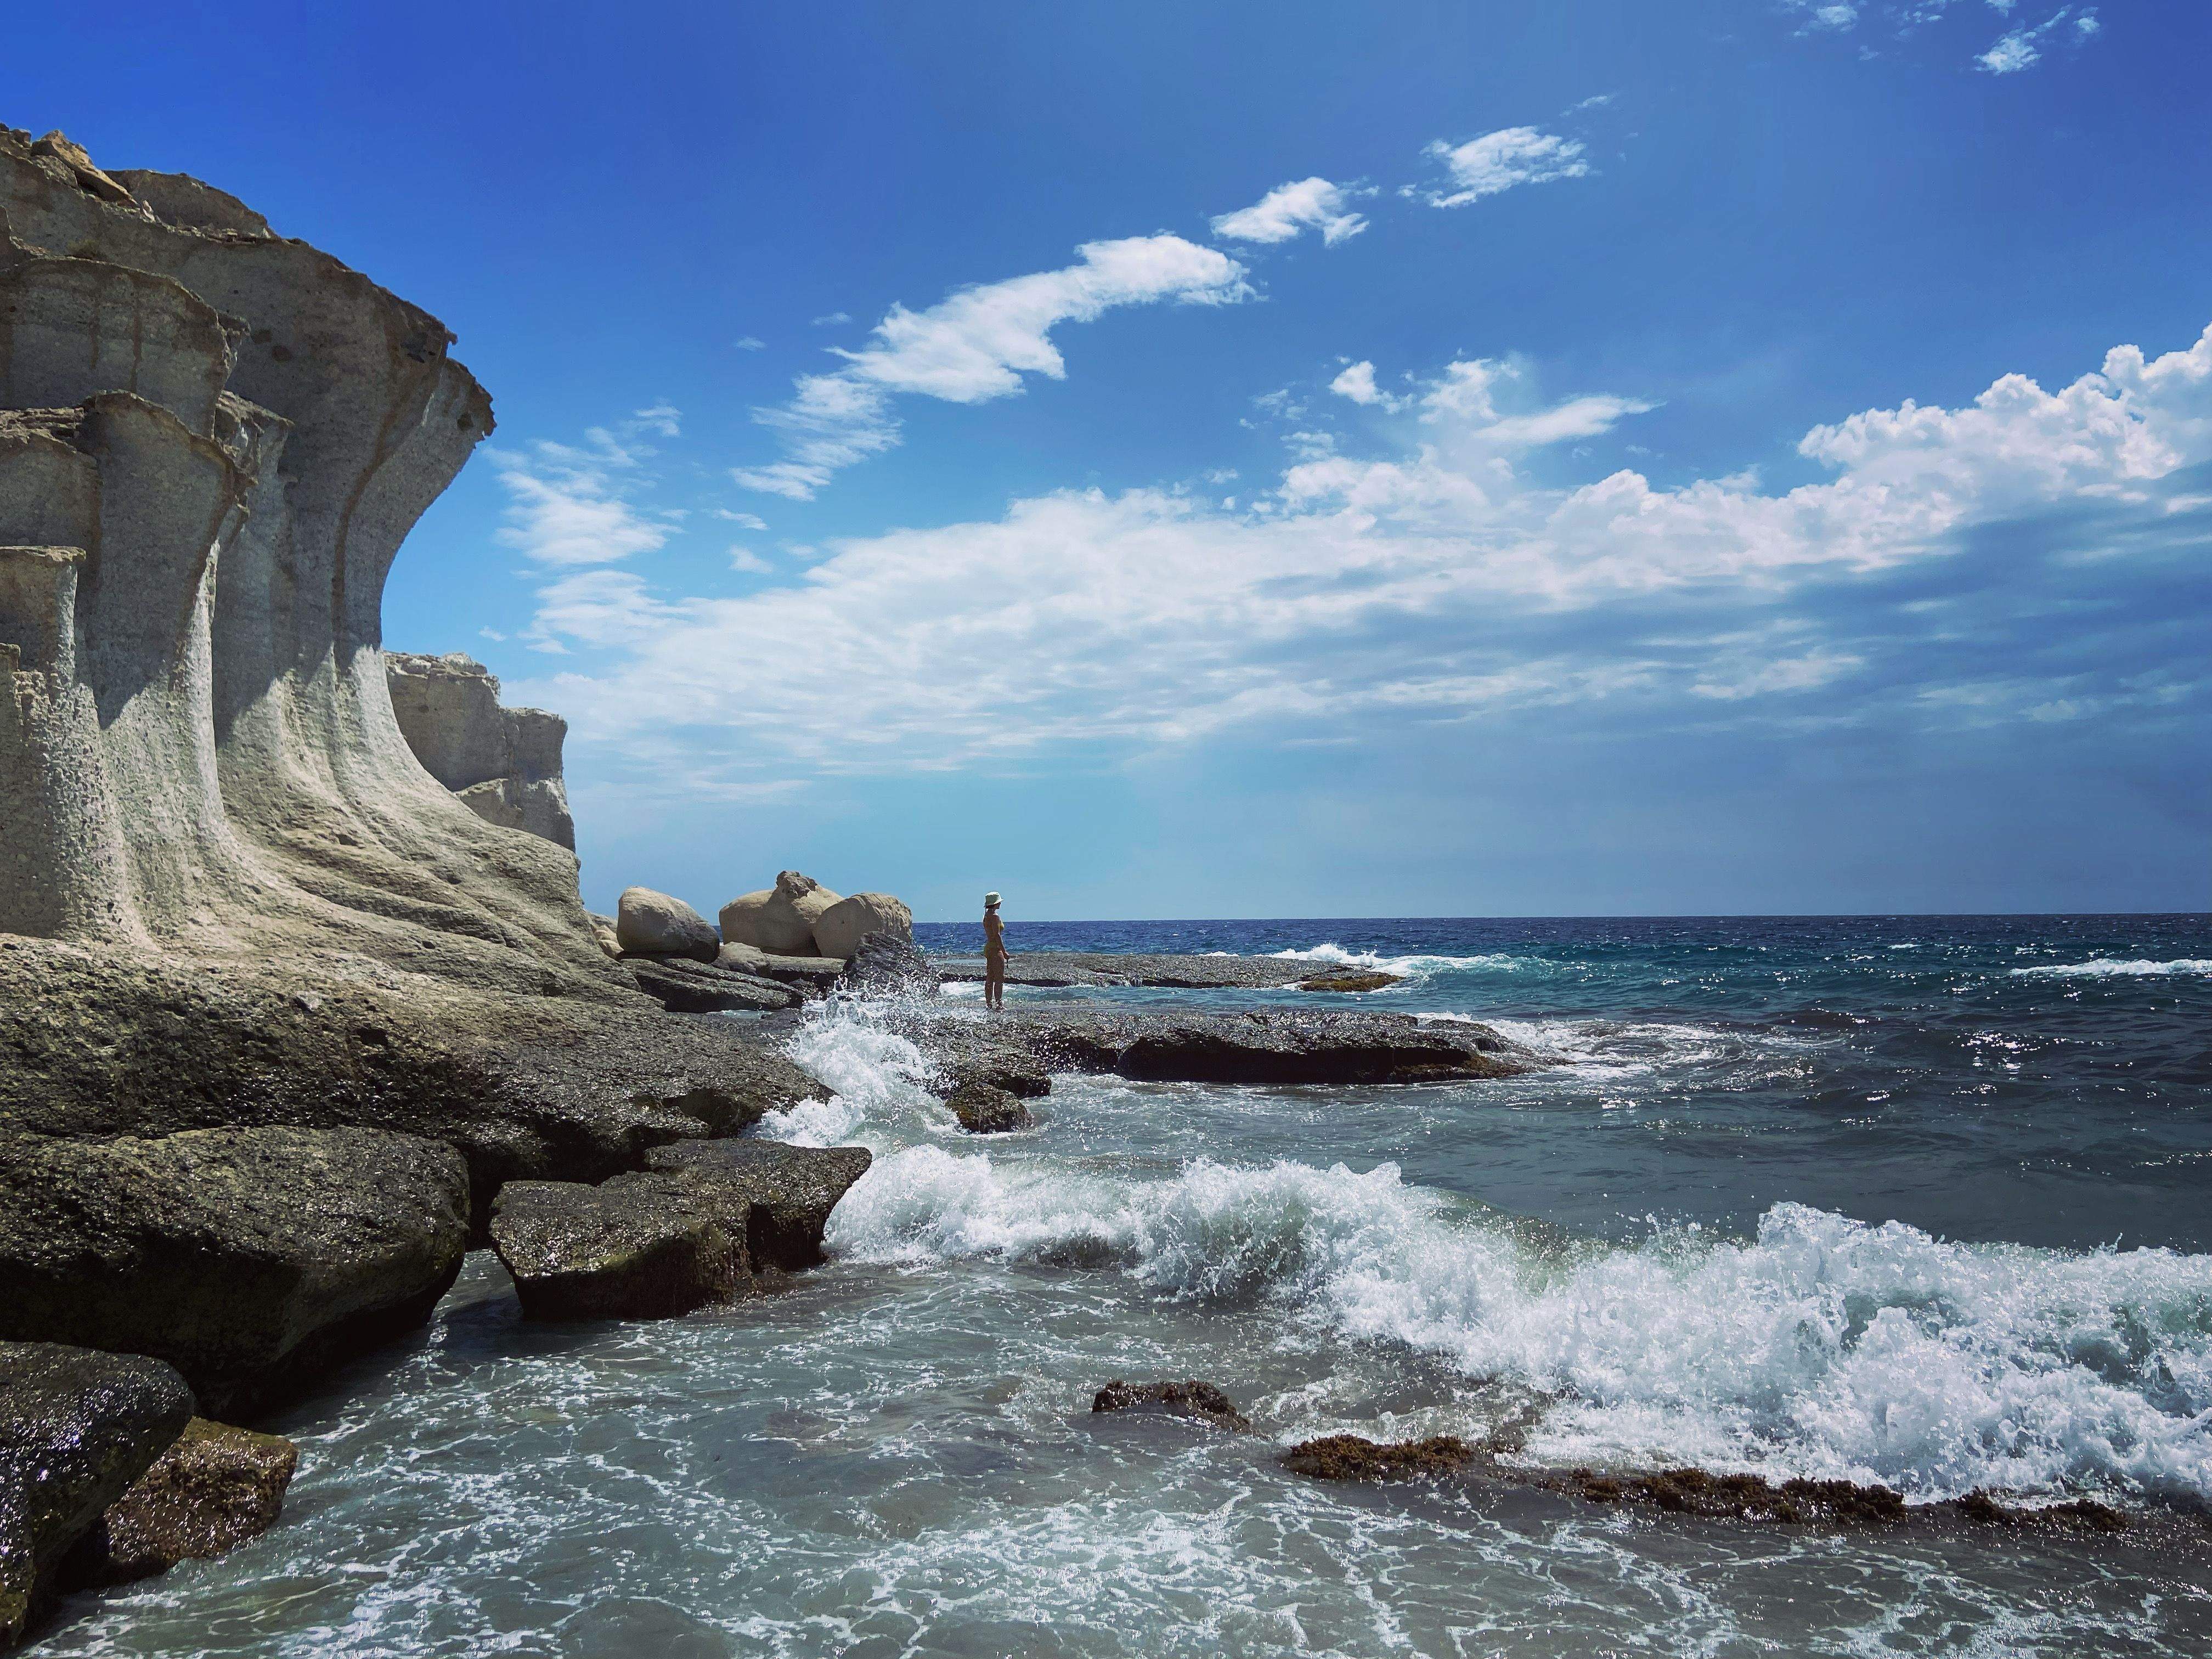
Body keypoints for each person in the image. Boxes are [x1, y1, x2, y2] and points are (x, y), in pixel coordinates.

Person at [982, 891, 1008, 1010]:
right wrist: (1004, 952)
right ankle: (999, 1005)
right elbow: (997, 935)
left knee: (990, 977)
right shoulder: (995, 916)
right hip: (995, 948)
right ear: (995, 903)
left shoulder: (986, 916)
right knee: (999, 978)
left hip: (989, 948)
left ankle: (989, 1004)